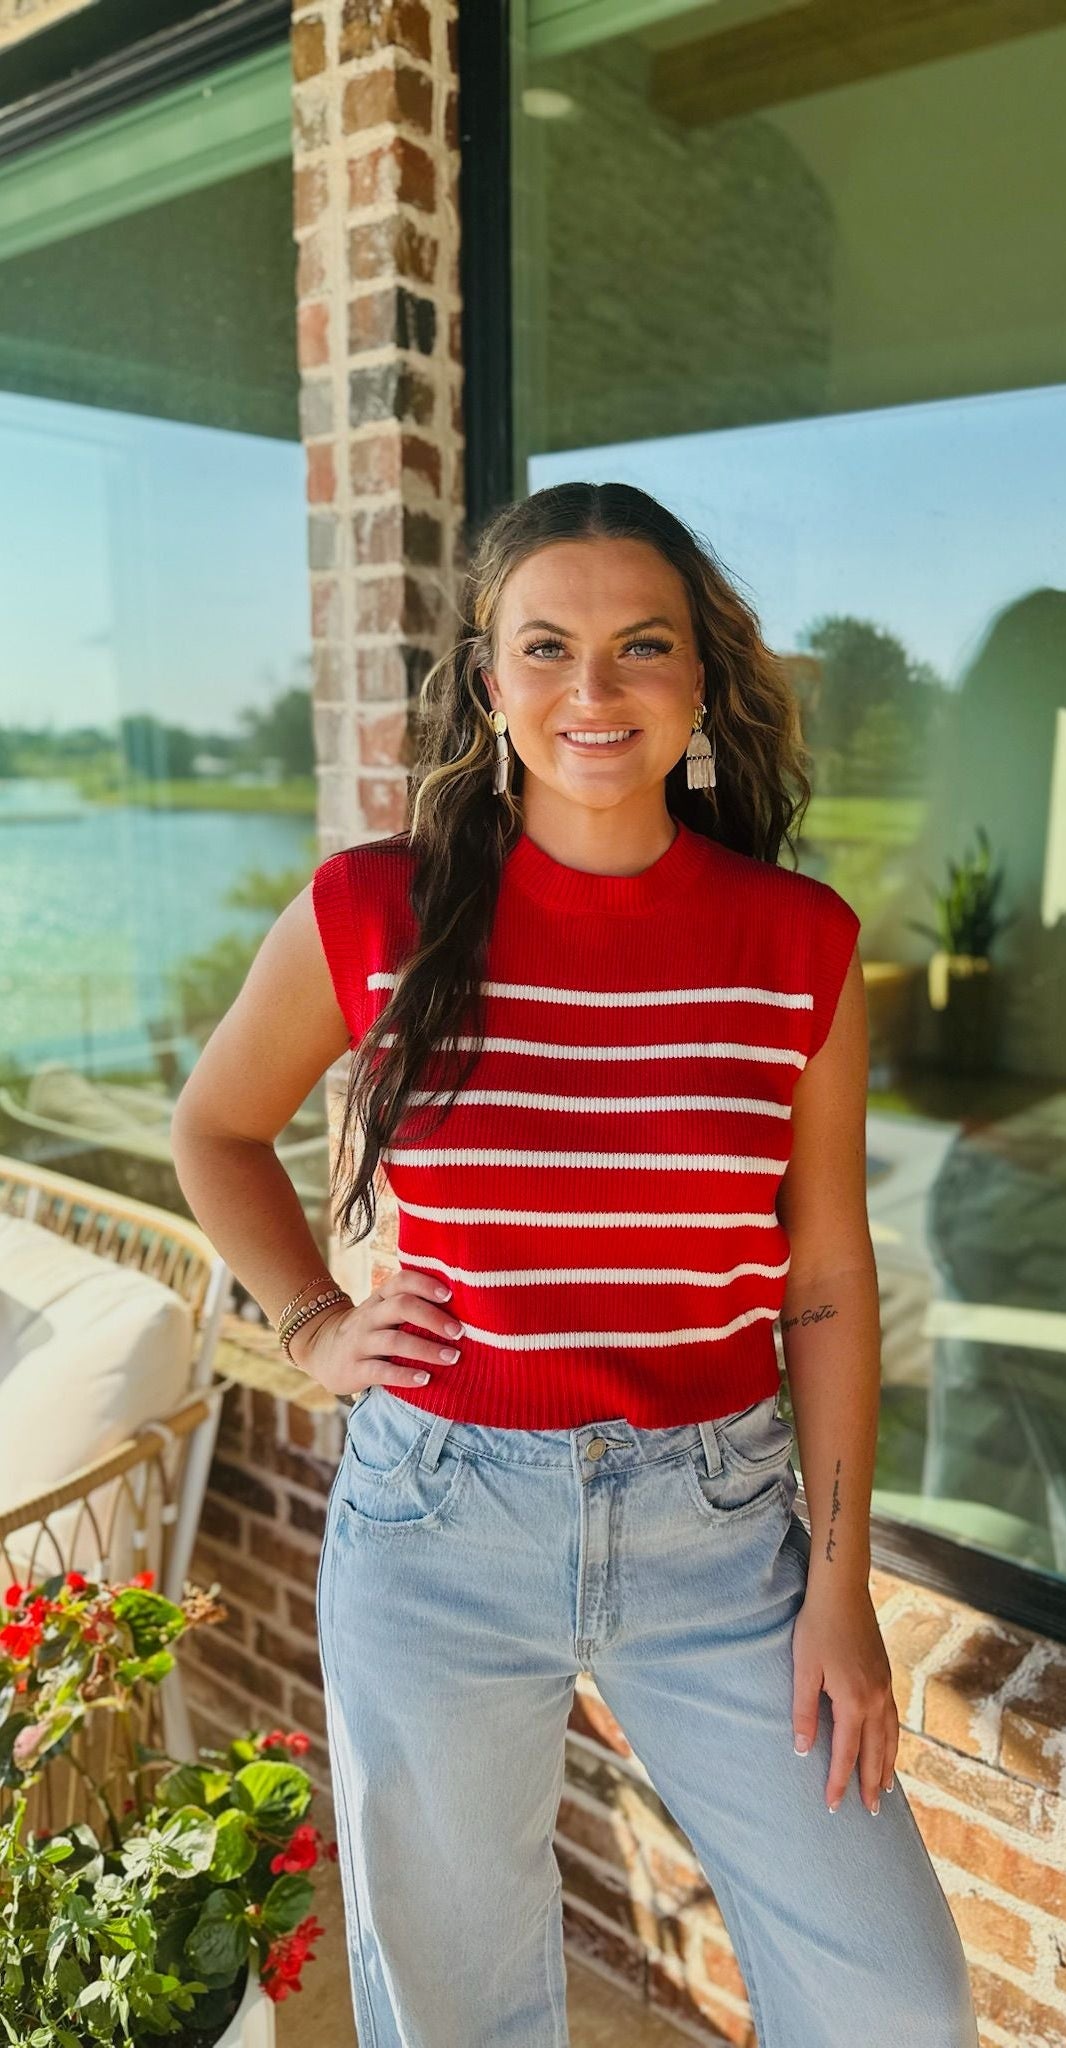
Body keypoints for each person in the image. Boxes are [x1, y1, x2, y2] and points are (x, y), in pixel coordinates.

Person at [169, 481, 978, 2048]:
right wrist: (317, 1320)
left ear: (701, 681)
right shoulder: (372, 910)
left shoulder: (797, 941)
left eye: (640, 647)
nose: (592, 692)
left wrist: (837, 1583)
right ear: (490, 682)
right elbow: (215, 1131)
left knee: (894, 1996)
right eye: (546, 647)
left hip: (726, 1533)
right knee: (457, 2013)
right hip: (438, 1525)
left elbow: (822, 1283)